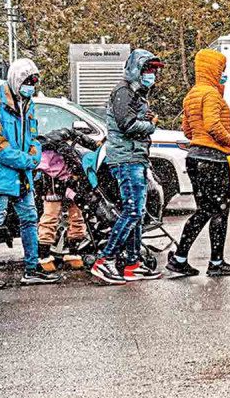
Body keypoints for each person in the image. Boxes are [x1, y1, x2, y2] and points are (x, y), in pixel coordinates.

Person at [0, 58, 61, 289]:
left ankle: (32, 268)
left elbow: (33, 138)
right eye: (28, 81)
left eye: (34, 81)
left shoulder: (27, 105)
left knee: (29, 219)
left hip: (20, 176)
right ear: (16, 79)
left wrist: (33, 156)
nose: (31, 86)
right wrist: (28, 160)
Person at [90, 49, 164, 285]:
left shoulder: (135, 93)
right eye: (147, 70)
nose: (151, 75)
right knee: (132, 211)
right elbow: (127, 124)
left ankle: (133, 263)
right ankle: (105, 259)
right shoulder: (123, 91)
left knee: (137, 212)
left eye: (154, 70)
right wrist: (150, 125)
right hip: (126, 159)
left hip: (134, 157)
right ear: (136, 69)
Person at [167, 49, 230, 277]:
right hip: (213, 159)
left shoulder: (192, 94)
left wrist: (199, 140)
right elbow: (212, 124)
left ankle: (180, 258)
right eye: (222, 70)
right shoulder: (211, 95)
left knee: (203, 210)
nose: (223, 75)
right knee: (220, 210)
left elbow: (187, 130)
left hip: (195, 157)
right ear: (213, 69)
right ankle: (216, 262)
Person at [36, 127, 102, 272]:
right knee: (56, 217)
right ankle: (48, 255)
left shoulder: (55, 149)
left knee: (59, 217)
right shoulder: (58, 153)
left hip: (61, 181)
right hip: (55, 183)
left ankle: (56, 255)